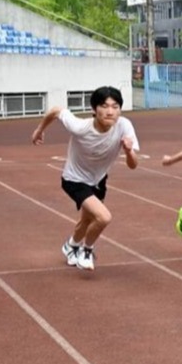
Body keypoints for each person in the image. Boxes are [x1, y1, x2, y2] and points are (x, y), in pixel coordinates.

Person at [31, 86, 139, 271]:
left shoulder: (124, 126)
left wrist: (129, 151)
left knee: (87, 221)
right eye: (104, 106)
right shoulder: (79, 127)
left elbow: (133, 164)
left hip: (98, 179)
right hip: (74, 179)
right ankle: (86, 251)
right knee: (103, 217)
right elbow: (56, 111)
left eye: (115, 107)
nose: (110, 111)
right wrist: (39, 130)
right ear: (94, 109)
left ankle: (71, 246)